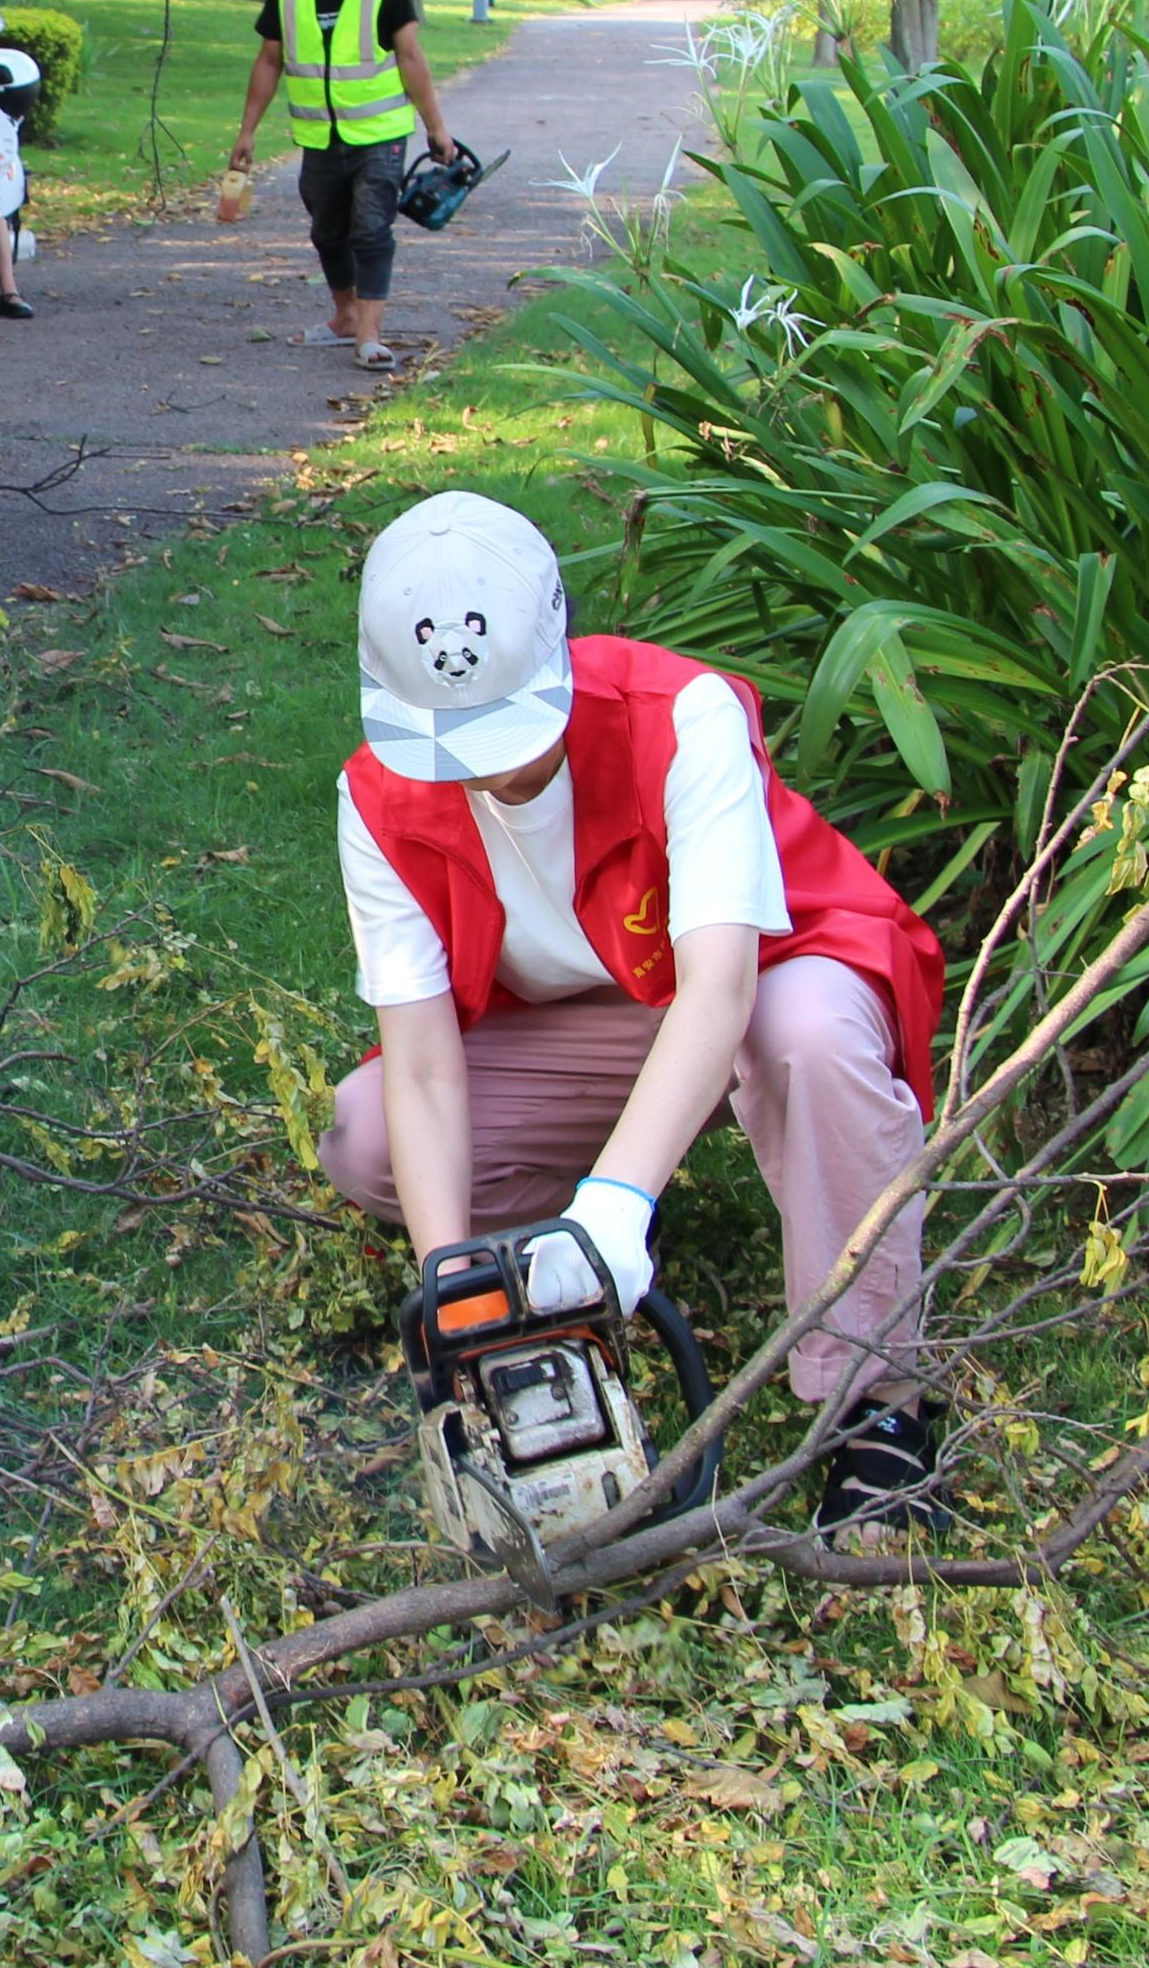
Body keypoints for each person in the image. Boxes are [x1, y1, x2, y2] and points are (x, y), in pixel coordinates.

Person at [321, 492, 951, 1532]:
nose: (481, 767)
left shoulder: (677, 716)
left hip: (760, 979)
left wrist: (617, 1206)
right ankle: (535, 1291)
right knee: (368, 1129)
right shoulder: (376, 798)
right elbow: (425, 1067)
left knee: (810, 1042)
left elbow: (719, 988)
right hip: (603, 1029)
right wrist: (456, 1299)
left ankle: (874, 1402)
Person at [225, 0, 459, 374]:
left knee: (371, 230)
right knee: (327, 231)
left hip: (380, 133)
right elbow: (269, 60)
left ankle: (370, 337)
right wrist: (247, 132)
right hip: (318, 136)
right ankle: (345, 316)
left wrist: (436, 127)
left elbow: (411, 58)